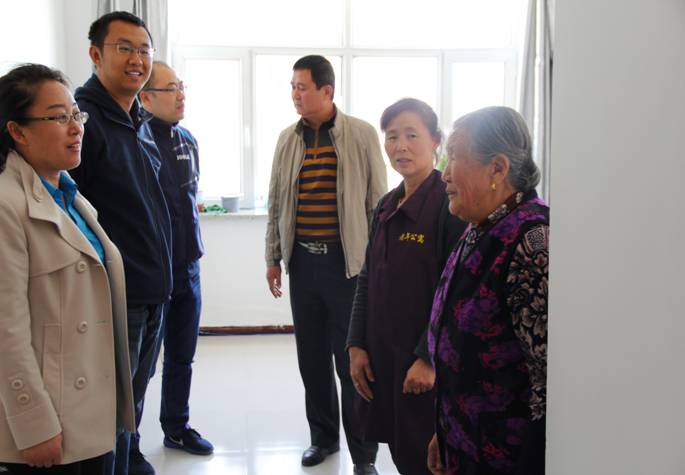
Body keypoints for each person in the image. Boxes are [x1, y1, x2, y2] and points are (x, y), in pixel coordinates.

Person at [0, 64, 135, 474]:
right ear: (17, 131)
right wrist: (33, 425)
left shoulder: (69, 196)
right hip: (47, 423)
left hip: (87, 408)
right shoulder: (7, 205)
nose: (76, 128)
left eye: (77, 114)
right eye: (59, 117)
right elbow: (6, 330)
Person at [265, 55, 387, 475]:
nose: (295, 95)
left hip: (347, 266)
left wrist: (378, 265)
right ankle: (323, 438)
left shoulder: (360, 134)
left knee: (352, 361)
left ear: (327, 90)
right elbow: (276, 202)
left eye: (302, 87)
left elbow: (377, 203)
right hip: (303, 264)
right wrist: (273, 257)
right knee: (312, 360)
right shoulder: (287, 139)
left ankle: (364, 454)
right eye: (292, 87)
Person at [70, 11, 173, 475]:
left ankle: (129, 456)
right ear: (96, 54)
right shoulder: (83, 122)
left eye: (144, 50)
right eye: (124, 48)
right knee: (110, 402)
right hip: (114, 294)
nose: (137, 59)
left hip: (151, 289)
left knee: (135, 393)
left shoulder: (137, 119)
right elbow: (71, 215)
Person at [346, 98, 466, 475]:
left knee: (425, 455)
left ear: (435, 141)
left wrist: (429, 356)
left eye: (412, 135)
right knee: (400, 449)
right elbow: (367, 277)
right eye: (392, 136)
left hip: (423, 363)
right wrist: (356, 344)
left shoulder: (449, 206)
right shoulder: (386, 205)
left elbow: (457, 292)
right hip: (385, 354)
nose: (400, 146)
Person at [426, 106, 549, 475]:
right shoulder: (483, 224)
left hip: (506, 459)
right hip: (464, 441)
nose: (445, 173)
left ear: (497, 168)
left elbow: (548, 381)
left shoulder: (532, 241)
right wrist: (444, 430)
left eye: (454, 157)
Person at [139, 62, 213, 456]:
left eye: (181, 86)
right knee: (142, 363)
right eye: (171, 89)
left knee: (182, 355)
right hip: (153, 271)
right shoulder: (136, 142)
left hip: (188, 266)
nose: (181, 95)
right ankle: (128, 441)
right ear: (146, 98)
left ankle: (177, 427)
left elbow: (190, 199)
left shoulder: (188, 140)